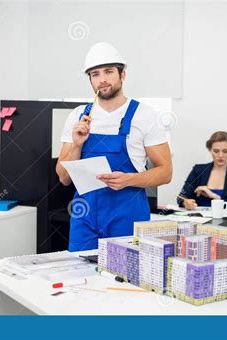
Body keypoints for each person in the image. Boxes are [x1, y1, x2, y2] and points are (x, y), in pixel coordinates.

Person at [56, 42, 172, 252]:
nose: (102, 79)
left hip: (127, 217)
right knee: (80, 279)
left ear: (122, 75)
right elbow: (63, 178)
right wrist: (76, 145)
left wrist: (130, 180)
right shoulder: (78, 117)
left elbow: (166, 172)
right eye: (95, 74)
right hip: (85, 217)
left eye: (109, 72)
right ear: (90, 79)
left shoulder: (144, 116)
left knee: (125, 281)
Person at [177, 131, 227, 210]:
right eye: (216, 151)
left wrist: (215, 197)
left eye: (225, 151)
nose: (220, 155)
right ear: (210, 150)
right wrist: (185, 202)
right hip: (199, 220)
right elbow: (181, 197)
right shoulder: (198, 170)